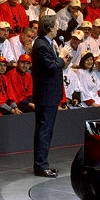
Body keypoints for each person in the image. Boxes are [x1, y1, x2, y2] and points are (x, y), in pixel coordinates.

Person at [31, 14, 71, 178]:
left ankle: (43, 163)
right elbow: (51, 67)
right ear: (48, 28)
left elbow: (57, 67)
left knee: (47, 130)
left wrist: (64, 59)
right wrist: (60, 57)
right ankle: (40, 165)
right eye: (55, 26)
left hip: (50, 93)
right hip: (45, 94)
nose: (57, 28)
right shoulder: (41, 45)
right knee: (44, 130)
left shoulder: (47, 44)